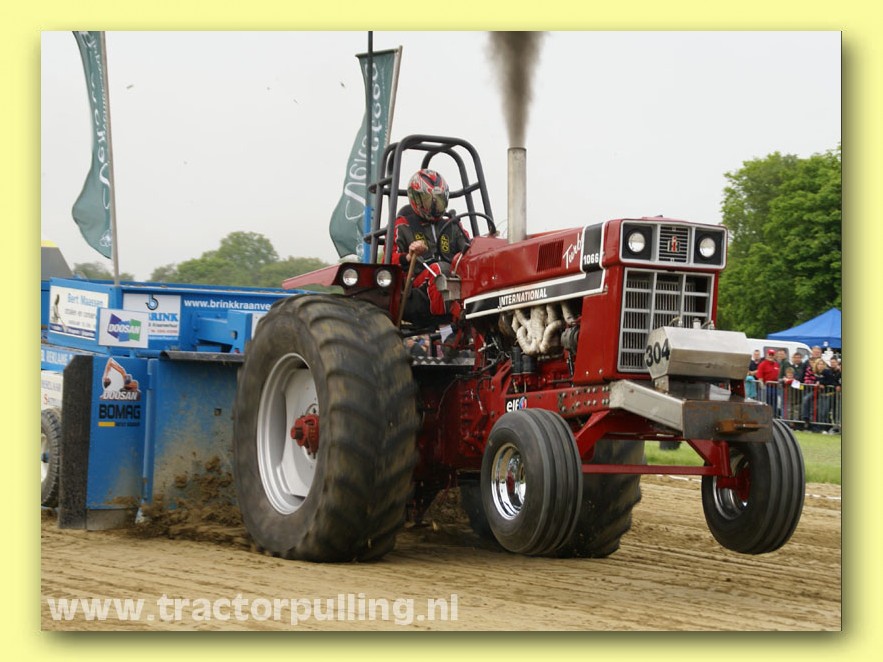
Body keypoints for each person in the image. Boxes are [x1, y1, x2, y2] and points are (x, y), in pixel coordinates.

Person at [391, 169, 470, 327]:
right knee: (440, 270)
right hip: (416, 286)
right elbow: (389, 261)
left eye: (438, 200)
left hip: (453, 278)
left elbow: (469, 248)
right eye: (429, 200)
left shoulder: (452, 225)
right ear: (416, 199)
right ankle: (447, 329)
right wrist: (409, 255)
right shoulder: (403, 225)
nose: (434, 206)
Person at [756, 349, 781, 414]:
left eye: (772, 355)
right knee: (766, 404)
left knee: (774, 404)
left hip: (775, 387)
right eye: (770, 354)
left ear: (774, 356)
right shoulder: (762, 364)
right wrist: (763, 388)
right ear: (767, 355)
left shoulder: (776, 364)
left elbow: (778, 375)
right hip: (766, 387)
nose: (771, 356)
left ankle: (774, 416)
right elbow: (760, 378)